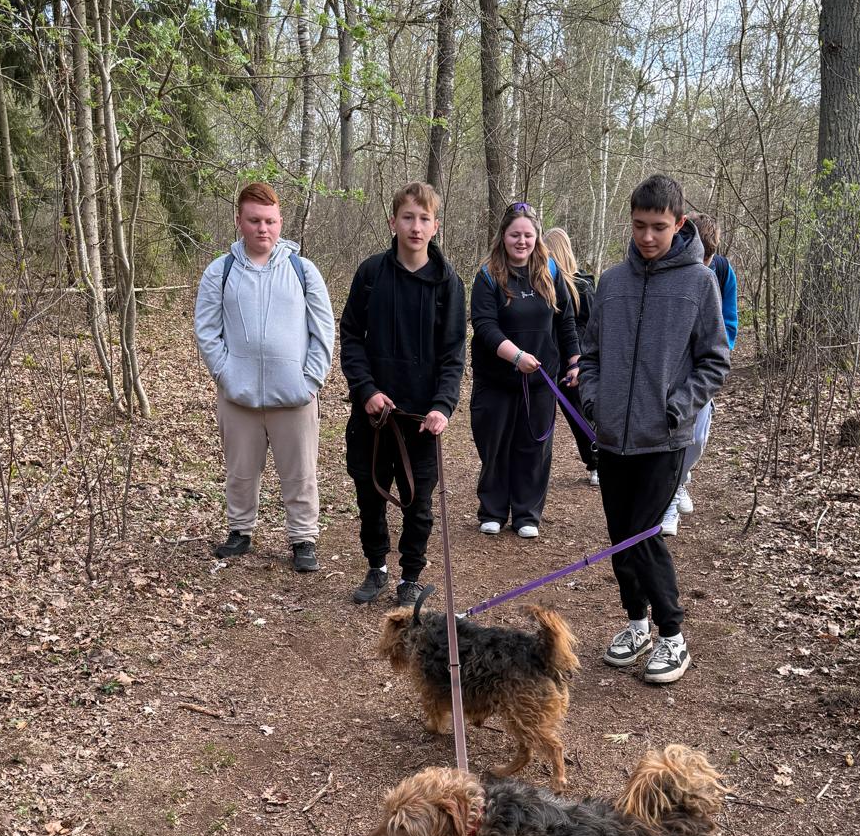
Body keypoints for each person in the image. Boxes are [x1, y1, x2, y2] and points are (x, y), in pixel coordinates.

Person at [577, 174, 730, 685]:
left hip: (664, 439)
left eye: (658, 227)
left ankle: (673, 635)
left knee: (644, 534)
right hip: (611, 438)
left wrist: (677, 408)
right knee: (621, 537)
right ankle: (636, 624)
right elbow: (591, 354)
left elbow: (715, 360)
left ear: (679, 224)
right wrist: (595, 402)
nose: (647, 236)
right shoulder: (612, 282)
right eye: (639, 225)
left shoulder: (699, 283)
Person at [193, 181, 335, 572]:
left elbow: (323, 331)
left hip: (295, 396)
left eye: (270, 221)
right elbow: (207, 330)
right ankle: (240, 531)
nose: (263, 228)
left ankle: (303, 539)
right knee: (240, 471)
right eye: (254, 220)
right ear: (239, 220)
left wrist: (310, 381)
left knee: (301, 473)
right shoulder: (220, 272)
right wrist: (226, 374)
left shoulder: (302, 271)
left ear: (280, 222)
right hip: (238, 396)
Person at [339, 182, 467, 605]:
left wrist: (442, 406)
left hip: (421, 421)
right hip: (373, 416)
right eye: (408, 217)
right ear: (393, 222)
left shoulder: (449, 284)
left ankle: (410, 576)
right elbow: (351, 337)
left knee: (419, 503)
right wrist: (366, 390)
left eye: (424, 219)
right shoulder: (370, 275)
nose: (415, 227)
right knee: (370, 494)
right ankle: (376, 567)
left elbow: (453, 354)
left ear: (435, 226)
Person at [469, 203, 580, 539]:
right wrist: (515, 356)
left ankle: (526, 513)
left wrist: (575, 360)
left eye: (528, 235)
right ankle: (492, 510)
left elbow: (565, 320)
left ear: (537, 237)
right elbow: (485, 327)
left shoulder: (550, 272)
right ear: (503, 236)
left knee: (533, 447)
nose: (521, 241)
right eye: (515, 235)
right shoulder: (488, 275)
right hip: (496, 379)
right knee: (495, 446)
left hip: (541, 380)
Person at [661, 211, 738, 535]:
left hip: (701, 366)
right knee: (668, 430)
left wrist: (715, 357)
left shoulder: (722, 271)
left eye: (707, 259)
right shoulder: (669, 267)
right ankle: (668, 499)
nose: (702, 266)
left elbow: (729, 323)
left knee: (698, 436)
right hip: (668, 364)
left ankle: (681, 479)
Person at [544, 226, 598, 486]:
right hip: (550, 359)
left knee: (581, 414)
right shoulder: (546, 286)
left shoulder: (582, 287)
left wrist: (579, 361)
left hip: (575, 362)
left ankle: (597, 461)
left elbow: (590, 328)